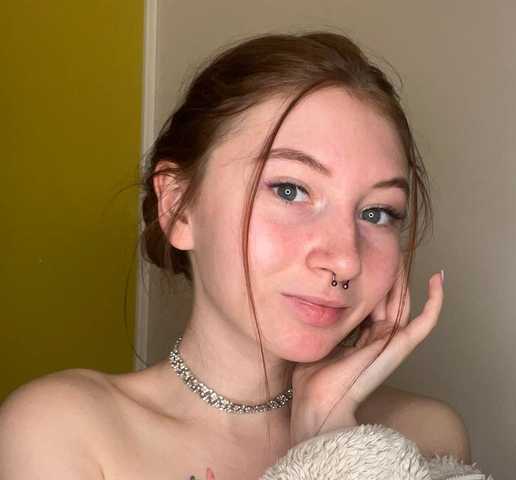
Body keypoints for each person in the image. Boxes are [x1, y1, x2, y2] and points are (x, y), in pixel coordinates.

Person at [0, 31, 490, 479]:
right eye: (290, 190)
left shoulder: (427, 438)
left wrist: (331, 432)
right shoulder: (62, 433)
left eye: (378, 213)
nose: (345, 260)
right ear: (179, 207)